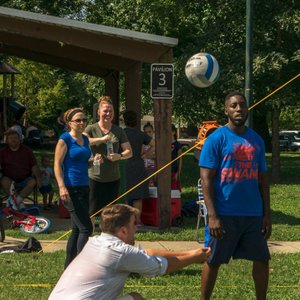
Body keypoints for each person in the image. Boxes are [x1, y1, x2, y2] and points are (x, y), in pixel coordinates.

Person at [49, 204, 211, 300]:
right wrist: (196, 257)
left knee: (134, 298)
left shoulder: (96, 242)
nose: (137, 229)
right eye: (134, 224)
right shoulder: (121, 252)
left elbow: (148, 253)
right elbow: (162, 267)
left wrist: (192, 252)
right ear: (123, 231)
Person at [199, 91, 271, 300]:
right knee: (213, 260)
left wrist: (266, 214)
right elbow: (206, 180)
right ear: (226, 110)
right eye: (233, 106)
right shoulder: (216, 139)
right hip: (224, 213)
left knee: (262, 259)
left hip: (252, 214)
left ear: (247, 108)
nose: (238, 109)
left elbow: (263, 181)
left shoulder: (256, 140)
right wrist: (213, 215)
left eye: (242, 105)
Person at [54, 107, 101, 268]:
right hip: (70, 187)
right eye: (78, 120)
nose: (82, 123)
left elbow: (84, 162)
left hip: (84, 186)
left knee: (76, 229)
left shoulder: (85, 140)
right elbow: (57, 164)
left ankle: (69, 267)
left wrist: (94, 160)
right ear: (69, 123)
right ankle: (82, 267)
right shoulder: (65, 139)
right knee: (86, 228)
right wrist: (61, 187)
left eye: (84, 120)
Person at [84, 96, 132, 219]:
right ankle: (89, 236)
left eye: (110, 111)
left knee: (110, 214)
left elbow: (129, 152)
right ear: (98, 112)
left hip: (113, 178)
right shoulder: (91, 128)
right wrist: (101, 139)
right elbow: (82, 141)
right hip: (94, 176)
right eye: (105, 111)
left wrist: (119, 156)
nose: (108, 113)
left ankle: (106, 236)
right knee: (92, 212)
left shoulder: (118, 130)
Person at [0, 129, 41, 209]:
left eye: (15, 138)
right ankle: (18, 203)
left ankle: (17, 201)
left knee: (33, 181)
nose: (13, 140)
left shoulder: (27, 151)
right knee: (3, 180)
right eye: (11, 138)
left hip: (25, 179)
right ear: (7, 140)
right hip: (9, 180)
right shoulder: (2, 152)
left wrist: (39, 178)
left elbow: (34, 166)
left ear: (19, 139)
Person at [123, 111, 155, 213]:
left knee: (125, 194)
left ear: (124, 121)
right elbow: (154, 144)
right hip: (138, 165)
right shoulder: (140, 134)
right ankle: (137, 221)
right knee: (138, 196)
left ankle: (126, 221)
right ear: (136, 121)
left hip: (125, 164)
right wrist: (145, 154)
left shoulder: (121, 133)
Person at [171, 124, 182, 190]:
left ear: (173, 132)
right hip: (165, 172)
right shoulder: (164, 144)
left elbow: (180, 160)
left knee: (174, 191)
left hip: (174, 171)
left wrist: (178, 173)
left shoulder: (177, 145)